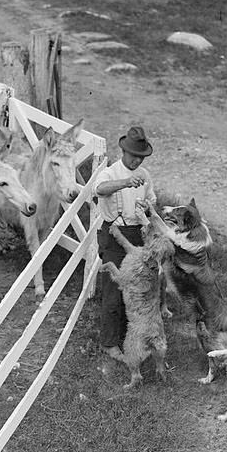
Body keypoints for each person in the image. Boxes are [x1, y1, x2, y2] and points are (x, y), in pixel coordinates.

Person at [93, 125, 157, 355]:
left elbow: (152, 200)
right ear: (123, 152)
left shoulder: (145, 175)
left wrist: (147, 208)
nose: (136, 162)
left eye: (140, 158)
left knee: (137, 289)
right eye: (133, 157)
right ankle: (109, 343)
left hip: (137, 235)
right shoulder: (111, 172)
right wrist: (125, 183)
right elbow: (99, 189)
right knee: (113, 290)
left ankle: (133, 337)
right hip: (114, 235)